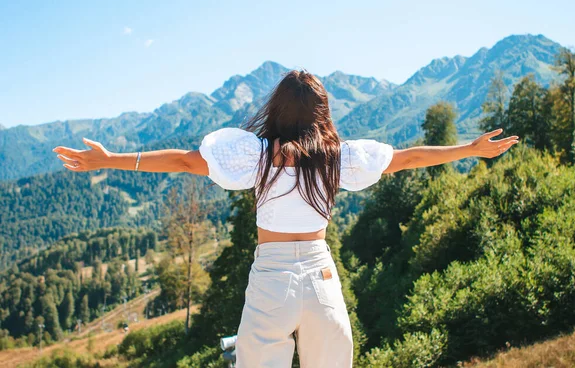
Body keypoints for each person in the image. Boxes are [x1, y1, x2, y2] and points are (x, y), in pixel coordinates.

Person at [52, 70, 518, 367]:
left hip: (272, 277)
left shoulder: (254, 155)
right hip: (321, 275)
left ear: (275, 109)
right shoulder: (336, 159)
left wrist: (110, 158)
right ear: (321, 114)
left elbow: (183, 162)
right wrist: (469, 150)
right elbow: (408, 159)